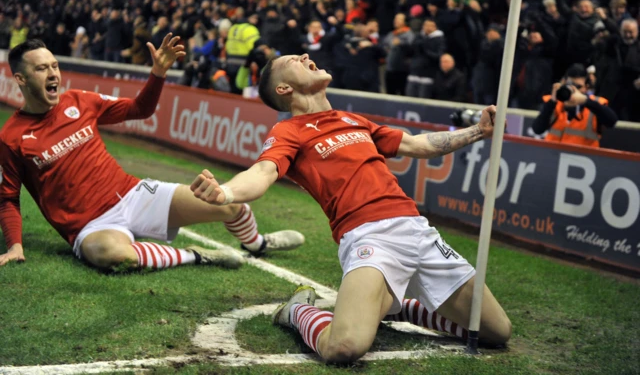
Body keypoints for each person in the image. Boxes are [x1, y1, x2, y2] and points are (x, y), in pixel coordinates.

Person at [190, 53, 512, 363]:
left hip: (418, 231)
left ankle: (396, 307)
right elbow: (263, 172)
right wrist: (226, 192)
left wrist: (478, 132)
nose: (304, 55)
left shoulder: (353, 120)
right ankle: (298, 310)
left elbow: (417, 145)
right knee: (343, 347)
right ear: (284, 89)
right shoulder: (288, 131)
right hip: (369, 238)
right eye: (293, 60)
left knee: (497, 331)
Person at [0, 36, 304, 270]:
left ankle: (258, 244)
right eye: (42, 69)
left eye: (54, 65)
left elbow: (139, 109)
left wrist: (158, 73)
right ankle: (197, 256)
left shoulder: (79, 100)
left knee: (228, 203)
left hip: (134, 195)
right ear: (22, 79)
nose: (53, 73)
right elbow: (8, 198)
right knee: (108, 254)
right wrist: (15, 245)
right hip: (90, 226)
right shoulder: (12, 137)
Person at [531, 64, 617, 148]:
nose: (573, 89)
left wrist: (586, 101)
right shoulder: (555, 102)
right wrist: (552, 101)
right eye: (570, 84)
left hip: (582, 158)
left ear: (586, 87)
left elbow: (612, 121)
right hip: (553, 156)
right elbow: (537, 129)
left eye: (578, 86)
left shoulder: (595, 103)